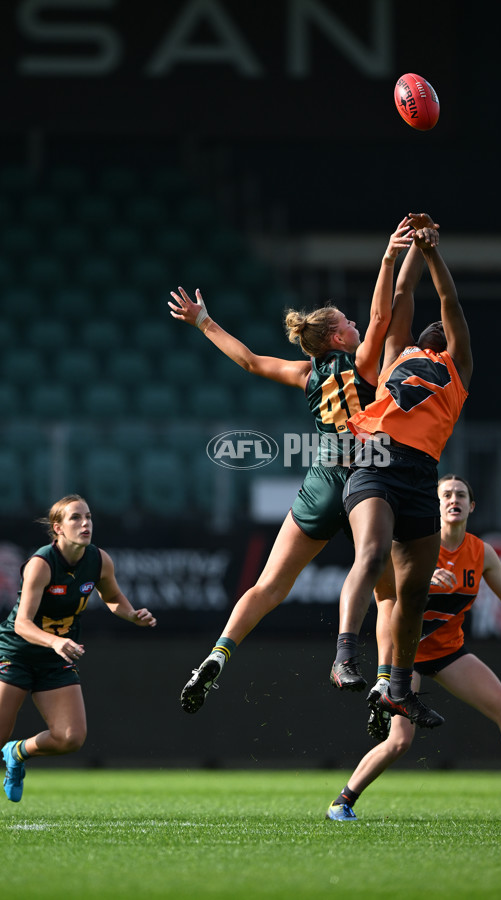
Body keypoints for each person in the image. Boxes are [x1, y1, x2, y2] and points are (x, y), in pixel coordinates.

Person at [169, 219, 417, 712]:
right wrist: (389, 258)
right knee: (387, 591)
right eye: (348, 323)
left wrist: (203, 322)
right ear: (336, 338)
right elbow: (383, 313)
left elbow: (249, 361)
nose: (356, 324)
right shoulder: (365, 364)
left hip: (322, 478)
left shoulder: (306, 374)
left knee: (268, 585)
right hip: (366, 477)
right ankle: (384, 681)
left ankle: (216, 655)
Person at [326, 475, 501, 822]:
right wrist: (422, 580)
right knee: (401, 742)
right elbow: (386, 597)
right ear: (435, 505)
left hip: (448, 652)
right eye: (445, 494)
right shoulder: (412, 546)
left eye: (460, 494)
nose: (453, 499)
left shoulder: (481, 551)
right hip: (408, 656)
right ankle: (342, 802)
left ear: (471, 506)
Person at [331, 216, 473, 731]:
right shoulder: (398, 352)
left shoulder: (457, 367)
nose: (439, 328)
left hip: (420, 475)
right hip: (375, 460)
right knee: (370, 555)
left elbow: (449, 305)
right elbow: (404, 289)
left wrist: (432, 251)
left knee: (413, 593)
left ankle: (397, 690)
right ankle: (346, 655)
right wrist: (419, 245)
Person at [0, 495, 156, 803]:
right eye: (75, 518)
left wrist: (132, 615)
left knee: (70, 738)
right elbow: (22, 624)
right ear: (57, 528)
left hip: (56, 659)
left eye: (88, 517)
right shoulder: (41, 564)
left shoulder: (99, 560)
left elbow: (113, 600)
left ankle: (16, 753)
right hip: (17, 654)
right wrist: (56, 641)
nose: (85, 523)